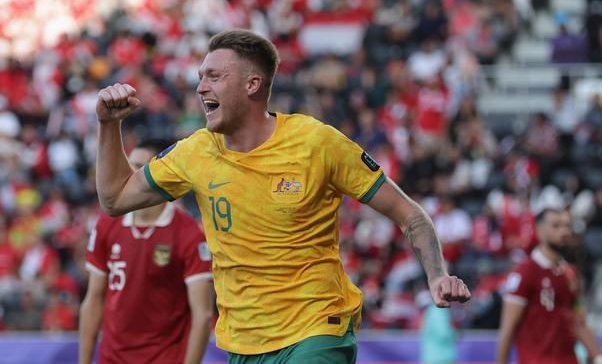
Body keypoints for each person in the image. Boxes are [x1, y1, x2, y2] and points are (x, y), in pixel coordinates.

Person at [95, 29, 471, 363]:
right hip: (243, 343)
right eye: (200, 77)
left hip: (316, 330)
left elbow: (410, 215)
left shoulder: (316, 143)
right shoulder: (195, 152)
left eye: (214, 76)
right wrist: (109, 126)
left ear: (252, 84)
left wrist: (437, 275)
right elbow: (116, 199)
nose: (200, 87)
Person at [79, 139, 214, 364]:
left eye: (140, 167)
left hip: (165, 358)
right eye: (129, 165)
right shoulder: (106, 224)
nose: (131, 174)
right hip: (112, 358)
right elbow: (93, 299)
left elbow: (203, 315)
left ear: (160, 173)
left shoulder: (188, 232)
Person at [497, 208, 602, 364]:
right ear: (539, 230)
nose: (564, 231)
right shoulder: (524, 273)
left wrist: (598, 357)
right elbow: (508, 328)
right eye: (556, 226)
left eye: (567, 226)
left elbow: (579, 323)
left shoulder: (571, 274)